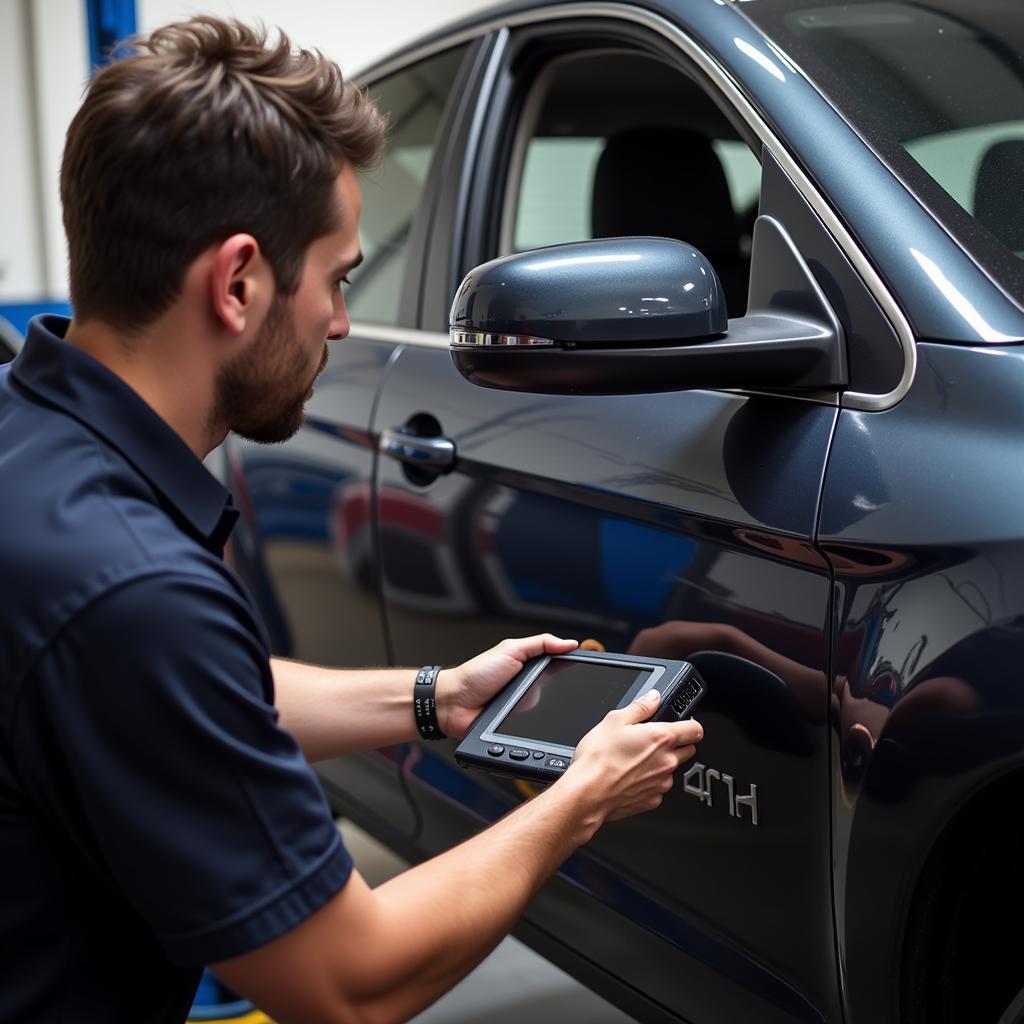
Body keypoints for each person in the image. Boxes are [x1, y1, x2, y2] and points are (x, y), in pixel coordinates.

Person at [0, 16, 704, 1024]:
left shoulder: (27, 437)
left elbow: (183, 699)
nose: (340, 323)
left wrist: (436, 697)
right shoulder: (135, 588)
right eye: (337, 279)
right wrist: (579, 798)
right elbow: (350, 982)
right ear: (238, 282)